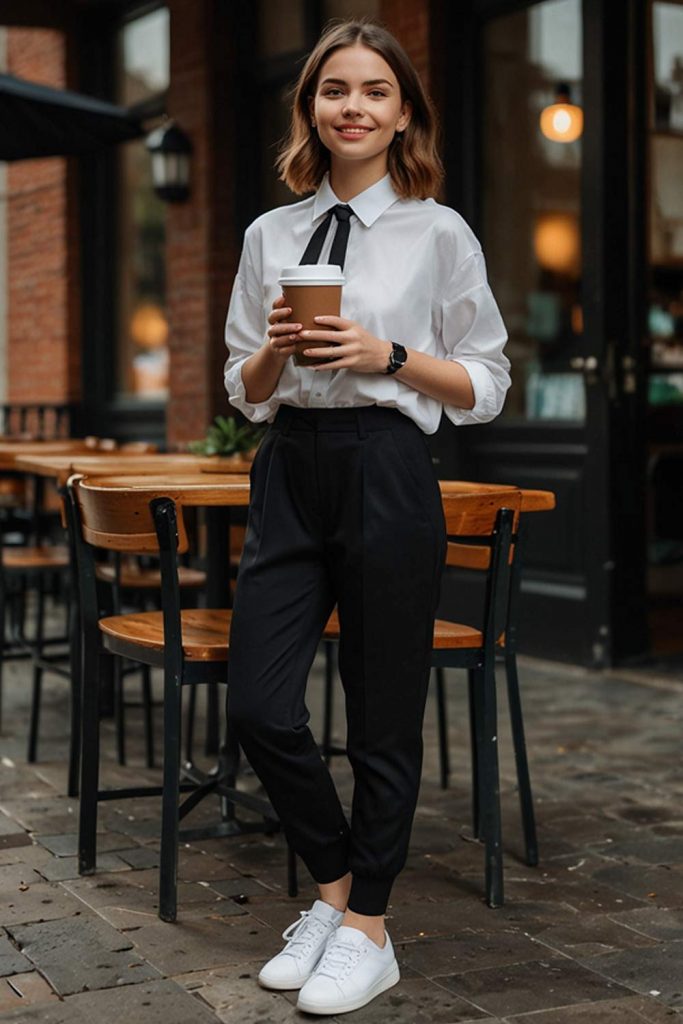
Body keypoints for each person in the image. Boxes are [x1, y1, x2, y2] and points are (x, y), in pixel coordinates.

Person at [223, 17, 510, 1016]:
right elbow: (244, 388)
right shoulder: (270, 233)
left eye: (373, 91)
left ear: (400, 115)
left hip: (388, 463)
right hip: (290, 461)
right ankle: (337, 894)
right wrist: (272, 349)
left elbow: (484, 381)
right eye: (333, 88)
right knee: (257, 702)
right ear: (309, 107)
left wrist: (383, 355)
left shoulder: (438, 231)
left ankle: (367, 928)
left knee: (380, 709)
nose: (352, 105)